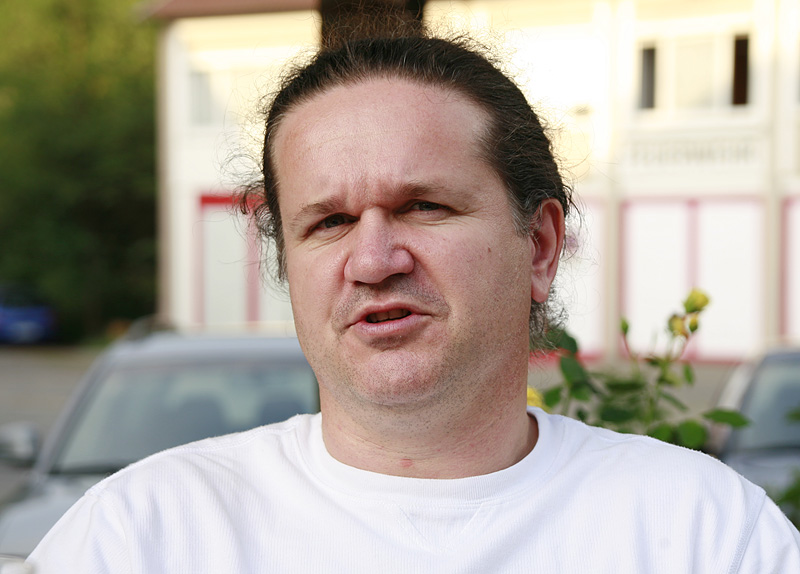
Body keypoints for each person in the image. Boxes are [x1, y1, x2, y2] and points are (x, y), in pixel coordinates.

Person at [28, 30, 800, 573]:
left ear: (538, 247)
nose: (373, 260)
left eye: (424, 206)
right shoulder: (143, 536)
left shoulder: (704, 533)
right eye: (329, 222)